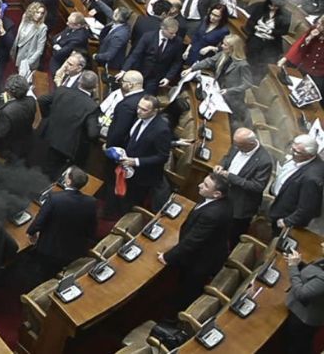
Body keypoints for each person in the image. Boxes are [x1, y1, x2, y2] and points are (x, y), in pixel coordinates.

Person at [158, 173, 231, 310]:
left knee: (187, 290)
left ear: (216, 194)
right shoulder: (221, 201)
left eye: (206, 185)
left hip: (201, 260)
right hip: (205, 251)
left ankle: (173, 317)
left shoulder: (213, 214)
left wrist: (167, 257)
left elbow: (193, 241)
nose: (200, 185)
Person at [27, 167, 97, 282]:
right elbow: (91, 228)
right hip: (74, 249)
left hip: (50, 249)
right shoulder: (91, 202)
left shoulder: (54, 199)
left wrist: (31, 232)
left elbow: (39, 221)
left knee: (44, 274)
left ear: (68, 181)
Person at [212, 127, 273, 245]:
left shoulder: (264, 161)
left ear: (251, 143)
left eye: (239, 145)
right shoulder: (238, 145)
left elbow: (257, 186)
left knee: (230, 236)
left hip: (240, 205)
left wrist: (230, 176)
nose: (236, 147)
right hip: (224, 194)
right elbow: (227, 157)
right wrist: (221, 165)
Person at [112, 95, 173, 210]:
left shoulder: (162, 129)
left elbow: (162, 157)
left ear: (155, 111)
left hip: (142, 175)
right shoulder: (138, 117)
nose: (139, 111)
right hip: (126, 167)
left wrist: (136, 162)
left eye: (144, 110)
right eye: (138, 107)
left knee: (131, 202)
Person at [37, 71, 101, 178]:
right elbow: (92, 133)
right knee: (52, 175)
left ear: (79, 81)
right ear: (95, 87)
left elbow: (42, 100)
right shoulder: (92, 106)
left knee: (39, 165)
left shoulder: (62, 90)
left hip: (47, 135)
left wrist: (48, 116)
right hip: (65, 147)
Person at [187, 33, 253, 128]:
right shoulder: (223, 54)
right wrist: (192, 68)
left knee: (231, 123)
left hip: (233, 99)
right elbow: (209, 61)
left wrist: (229, 90)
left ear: (232, 48)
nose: (222, 46)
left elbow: (247, 84)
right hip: (219, 90)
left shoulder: (242, 65)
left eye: (225, 45)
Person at [269, 135, 324, 232]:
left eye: (297, 152)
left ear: (309, 155)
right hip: (280, 201)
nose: (292, 152)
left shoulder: (311, 179)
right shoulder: (300, 159)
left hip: (286, 218)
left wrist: (287, 221)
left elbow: (307, 208)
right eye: (292, 148)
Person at [283, 238, 324, 354]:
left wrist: (293, 267)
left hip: (304, 318)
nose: (322, 243)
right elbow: (314, 275)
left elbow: (302, 294)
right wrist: (299, 263)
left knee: (297, 347)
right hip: (308, 312)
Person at [123, 16, 184, 94]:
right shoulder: (148, 36)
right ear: (162, 28)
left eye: (175, 33)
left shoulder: (177, 42)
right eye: (171, 33)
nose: (174, 35)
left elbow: (177, 61)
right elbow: (135, 54)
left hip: (156, 78)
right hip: (140, 72)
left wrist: (168, 77)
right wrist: (124, 70)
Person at [0, 75, 35, 162]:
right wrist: (9, 102)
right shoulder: (31, 100)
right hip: (25, 139)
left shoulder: (6, 112)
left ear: (11, 92)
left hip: (9, 147)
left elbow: (0, 133)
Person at [244, 0, 291, 80]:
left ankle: (255, 80)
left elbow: (284, 31)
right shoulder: (260, 7)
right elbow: (250, 21)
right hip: (256, 38)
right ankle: (245, 76)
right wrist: (256, 27)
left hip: (271, 43)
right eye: (271, 5)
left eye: (276, 6)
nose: (272, 8)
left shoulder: (286, 15)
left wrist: (271, 31)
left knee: (264, 64)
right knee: (251, 58)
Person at [281, 18, 324, 94]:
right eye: (318, 23)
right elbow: (301, 49)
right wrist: (310, 37)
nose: (318, 26)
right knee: (288, 90)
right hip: (303, 68)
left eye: (321, 25)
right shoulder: (313, 29)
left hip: (318, 74)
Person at [185, 3, 230, 67]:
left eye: (217, 16)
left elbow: (223, 48)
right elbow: (195, 36)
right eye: (212, 14)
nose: (212, 17)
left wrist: (211, 48)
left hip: (204, 58)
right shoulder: (205, 20)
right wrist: (187, 50)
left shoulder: (224, 30)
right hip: (192, 52)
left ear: (222, 17)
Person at [12, 2, 48, 80]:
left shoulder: (42, 27)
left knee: (24, 81)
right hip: (19, 53)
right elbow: (19, 35)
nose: (39, 15)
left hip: (28, 58)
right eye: (37, 12)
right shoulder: (25, 18)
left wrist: (28, 62)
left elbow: (40, 50)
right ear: (32, 12)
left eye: (42, 13)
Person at [93, 7, 132, 74]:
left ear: (117, 16)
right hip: (102, 51)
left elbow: (109, 56)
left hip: (109, 66)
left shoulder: (119, 36)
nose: (112, 13)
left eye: (114, 13)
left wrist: (95, 56)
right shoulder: (121, 24)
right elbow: (108, 11)